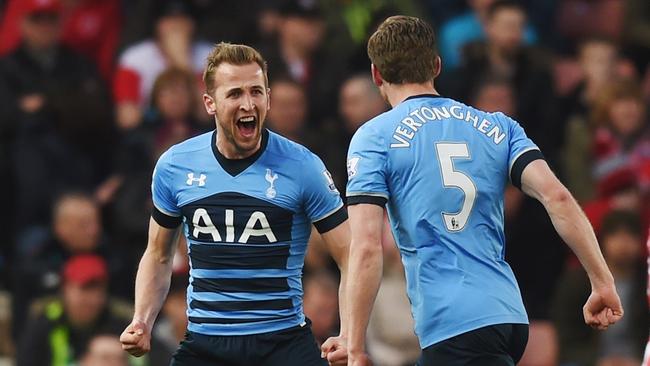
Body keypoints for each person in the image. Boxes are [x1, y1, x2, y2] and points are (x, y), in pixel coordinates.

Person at [337, 16, 624, 366]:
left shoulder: (373, 138)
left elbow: (366, 247)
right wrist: (602, 280)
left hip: (454, 324)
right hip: (509, 313)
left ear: (376, 75)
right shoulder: (497, 125)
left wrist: (354, 346)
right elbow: (558, 197)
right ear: (437, 66)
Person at [120, 42, 350, 366]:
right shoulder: (175, 166)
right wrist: (142, 320)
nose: (248, 103)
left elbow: (352, 253)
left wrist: (351, 333)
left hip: (282, 342)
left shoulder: (303, 166)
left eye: (256, 92)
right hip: (206, 342)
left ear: (268, 98)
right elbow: (158, 255)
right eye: (235, 94)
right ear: (210, 103)